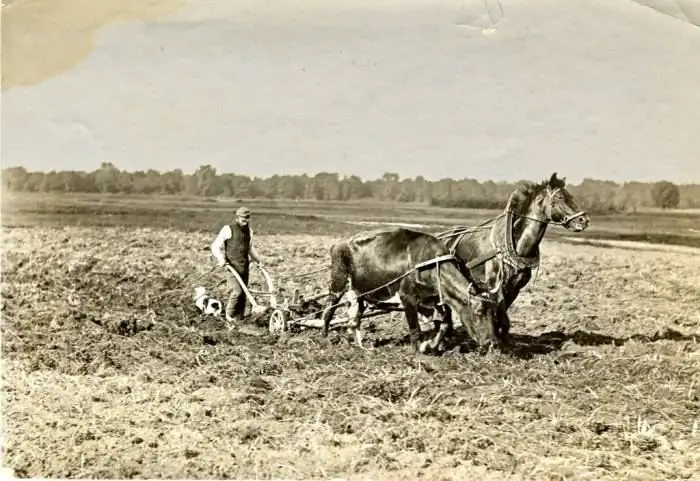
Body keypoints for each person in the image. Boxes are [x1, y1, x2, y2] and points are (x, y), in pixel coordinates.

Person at [210, 206, 265, 324]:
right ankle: (229, 316)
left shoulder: (249, 231)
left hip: (244, 266)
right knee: (237, 292)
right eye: (243, 218)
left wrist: (258, 261)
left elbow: (250, 248)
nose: (245, 220)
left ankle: (240, 318)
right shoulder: (228, 229)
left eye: (247, 218)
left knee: (244, 293)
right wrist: (221, 259)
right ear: (237, 217)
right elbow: (215, 246)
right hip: (232, 266)